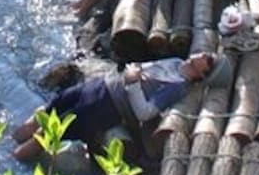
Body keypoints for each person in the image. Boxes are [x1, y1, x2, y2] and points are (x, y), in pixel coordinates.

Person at [12, 52, 224, 162]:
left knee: (45, 134)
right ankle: (6, 146)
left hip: (106, 106)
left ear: (202, 74)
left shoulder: (177, 88)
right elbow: (143, 68)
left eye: (204, 60)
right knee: (44, 112)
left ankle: (11, 163)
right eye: (203, 54)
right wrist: (134, 71)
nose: (199, 55)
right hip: (100, 85)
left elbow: (145, 112)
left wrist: (132, 83)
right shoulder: (176, 61)